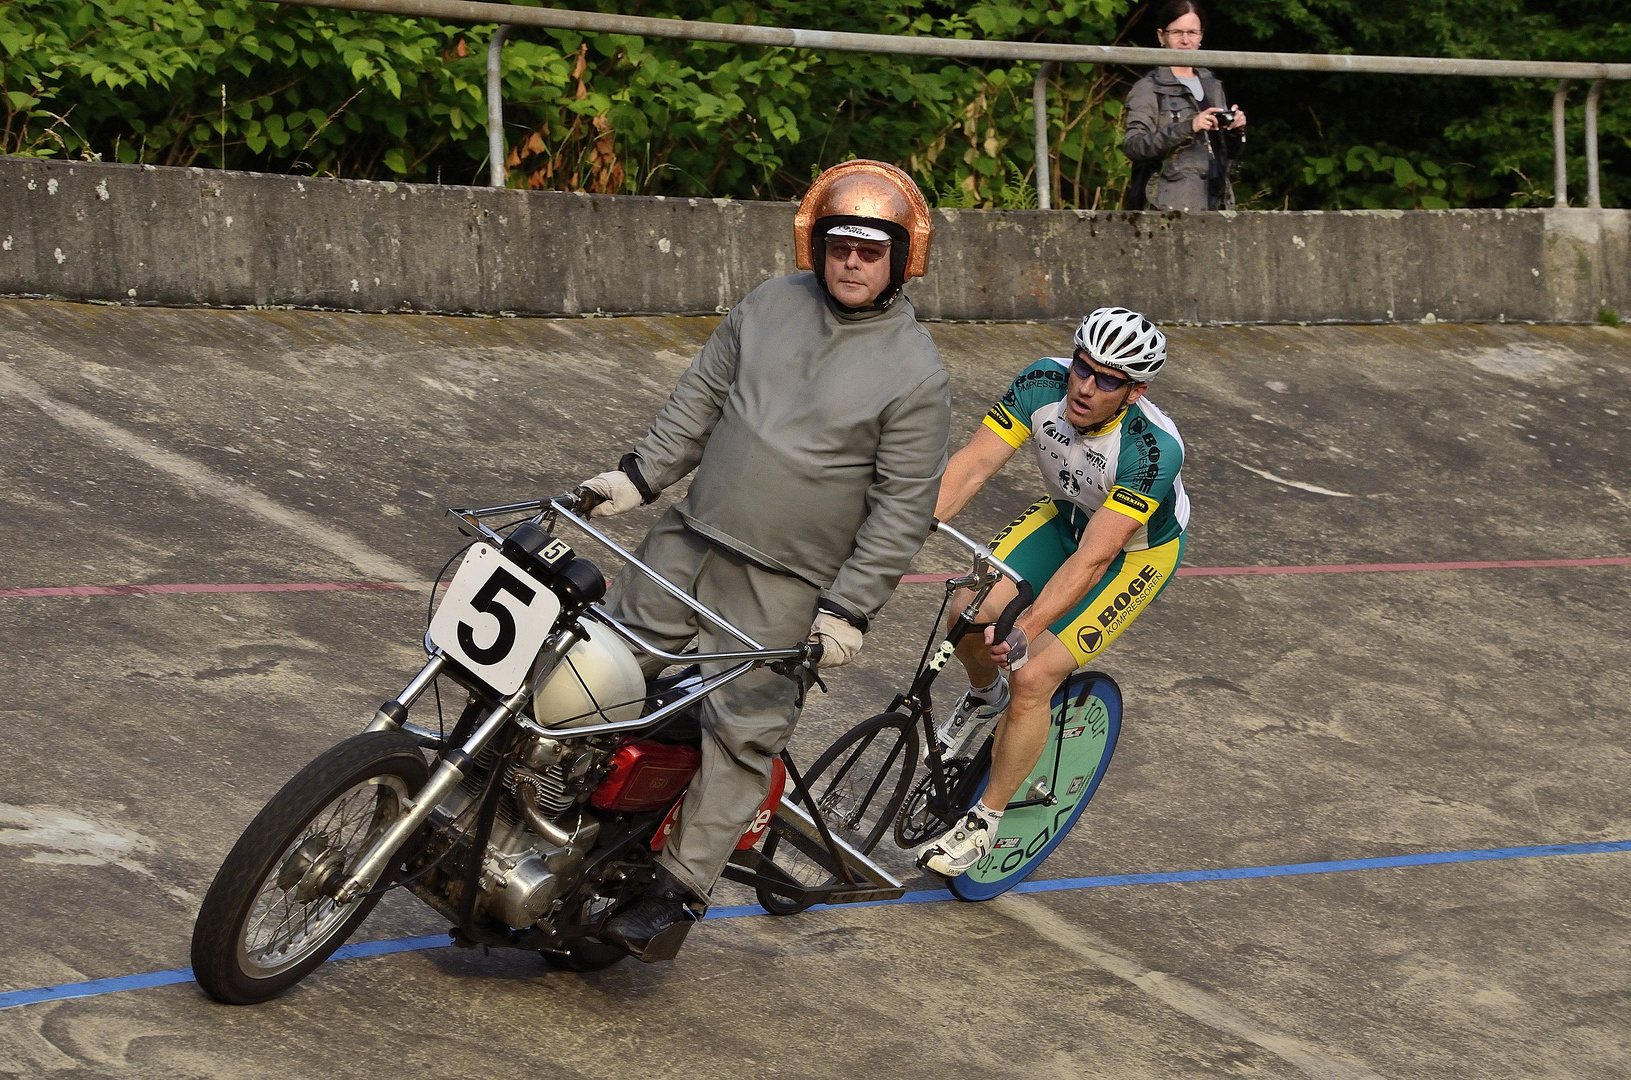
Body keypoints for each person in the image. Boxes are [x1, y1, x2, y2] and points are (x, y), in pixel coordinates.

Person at [575, 160, 951, 959]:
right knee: (594, 671)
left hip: (783, 588)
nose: (851, 262)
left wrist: (849, 609)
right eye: (839, 245)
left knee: (742, 731)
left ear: (900, 260)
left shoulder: (916, 372)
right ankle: (559, 817)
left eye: (870, 250)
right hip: (688, 539)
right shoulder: (770, 303)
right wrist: (638, 477)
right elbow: (700, 399)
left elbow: (900, 507)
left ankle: (677, 890)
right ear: (816, 246)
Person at [915, 307, 1189, 877]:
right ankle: (984, 696)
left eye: (1107, 380)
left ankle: (984, 822)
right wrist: (898, 539)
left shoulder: (1152, 450)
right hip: (1066, 519)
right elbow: (971, 467)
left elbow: (1096, 559)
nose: (1085, 387)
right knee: (966, 612)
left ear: (1134, 392)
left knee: (1034, 675)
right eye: (1083, 368)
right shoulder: (1042, 379)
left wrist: (1026, 631)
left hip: (1129, 556)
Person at [1123, 0, 1247, 211]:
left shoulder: (1212, 85)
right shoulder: (1148, 88)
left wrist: (1236, 130)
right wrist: (1189, 127)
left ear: (1201, 36)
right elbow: (1134, 146)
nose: (1185, 40)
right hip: (1166, 206)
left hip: (1216, 204)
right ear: (1161, 36)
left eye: (1192, 32)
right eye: (1177, 32)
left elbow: (1229, 156)